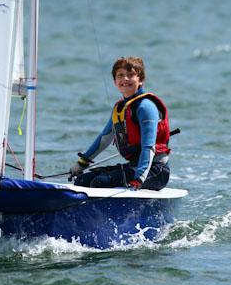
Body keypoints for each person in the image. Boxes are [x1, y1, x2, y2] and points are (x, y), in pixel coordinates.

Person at [70, 56, 171, 190]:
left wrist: (139, 179)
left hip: (155, 171)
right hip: (134, 166)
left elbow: (149, 147)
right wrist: (82, 163)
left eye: (131, 75)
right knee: (82, 180)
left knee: (100, 182)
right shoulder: (120, 108)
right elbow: (104, 139)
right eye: (120, 75)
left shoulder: (146, 107)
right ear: (115, 81)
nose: (125, 79)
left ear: (140, 80)